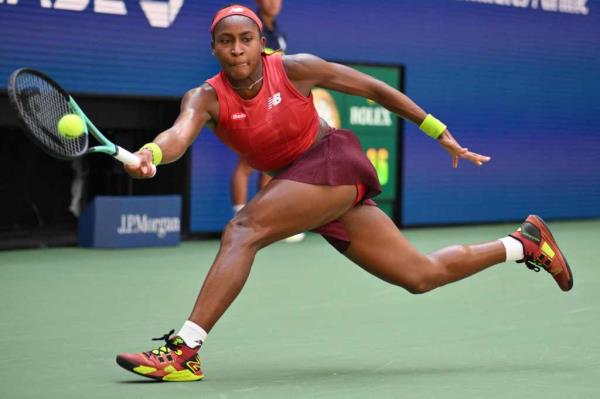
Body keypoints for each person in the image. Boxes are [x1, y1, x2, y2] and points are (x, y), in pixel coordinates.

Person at [116, 5, 574, 382]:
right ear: (214, 47)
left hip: (332, 162)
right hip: (301, 186)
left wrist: (439, 132)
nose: (237, 49)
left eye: (245, 39)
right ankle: (523, 243)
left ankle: (186, 349)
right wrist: (152, 152)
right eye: (226, 41)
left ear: (261, 42)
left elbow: (372, 88)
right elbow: (178, 135)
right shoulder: (205, 98)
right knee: (420, 275)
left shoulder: (294, 69)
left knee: (243, 229)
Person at [229, 0, 303, 241]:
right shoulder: (252, 30)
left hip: (275, 103)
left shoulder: (278, 33)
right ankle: (239, 222)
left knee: (272, 164)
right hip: (250, 102)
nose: (274, 2)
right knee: (247, 163)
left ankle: (264, 221)